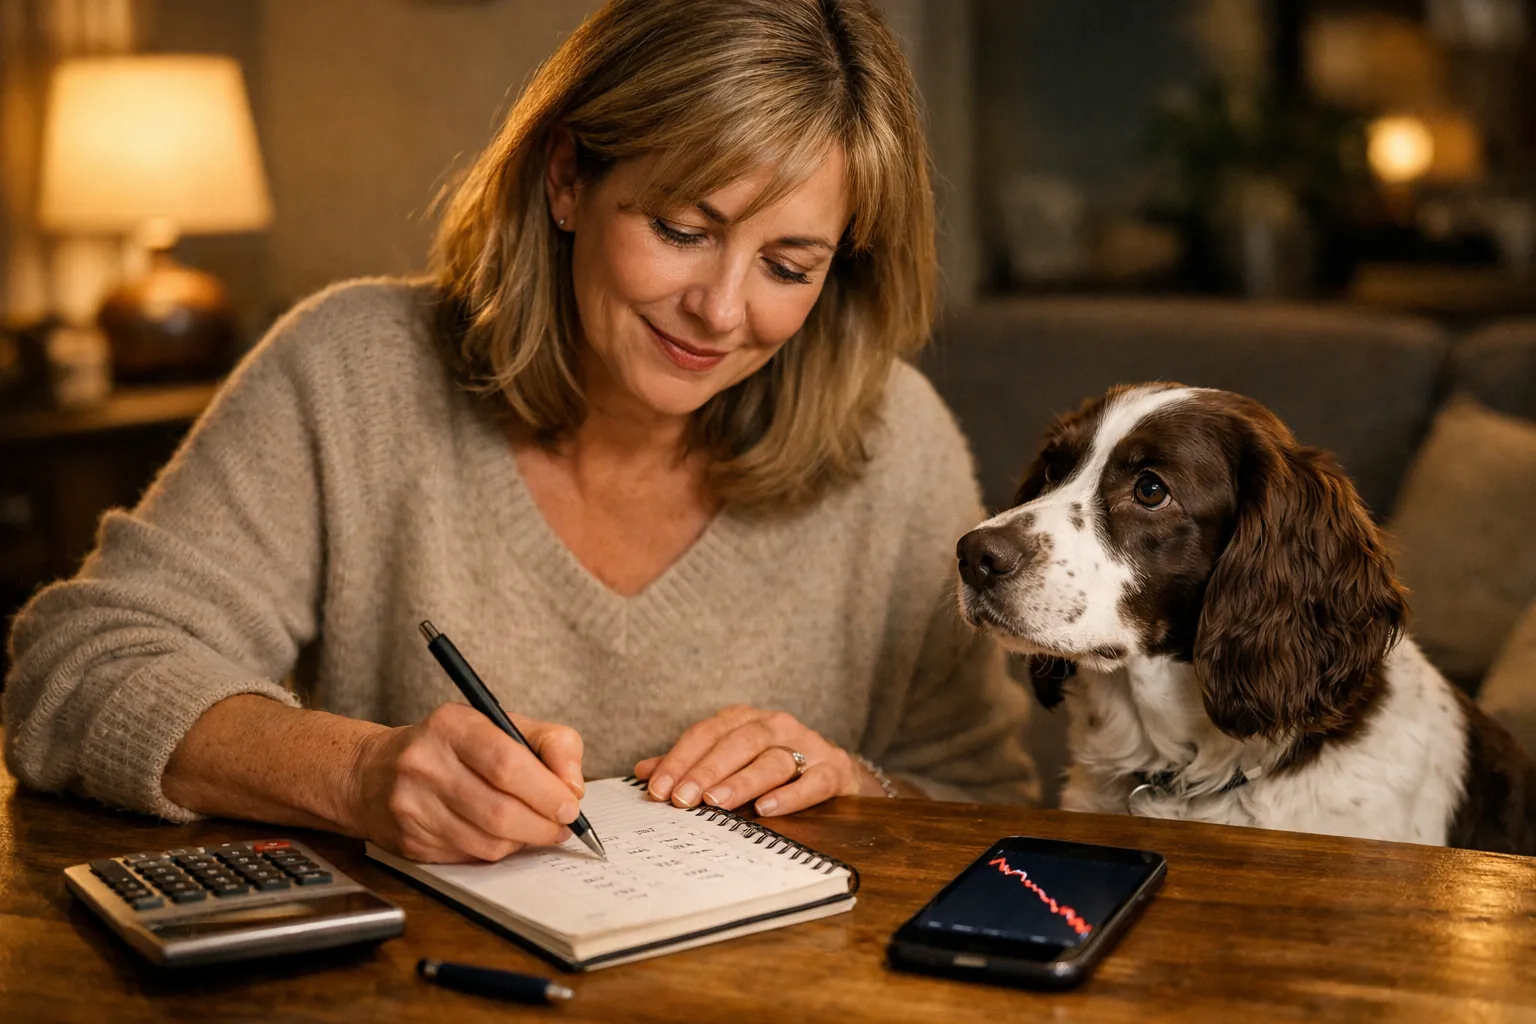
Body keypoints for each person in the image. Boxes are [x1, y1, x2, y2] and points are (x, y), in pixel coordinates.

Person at [3, 0, 1037, 864]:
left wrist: (859, 788)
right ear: (566, 178)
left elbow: (984, 802)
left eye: (788, 265)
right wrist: (358, 774)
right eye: (683, 230)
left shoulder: (896, 441)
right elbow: (75, 669)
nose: (722, 311)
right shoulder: (353, 371)